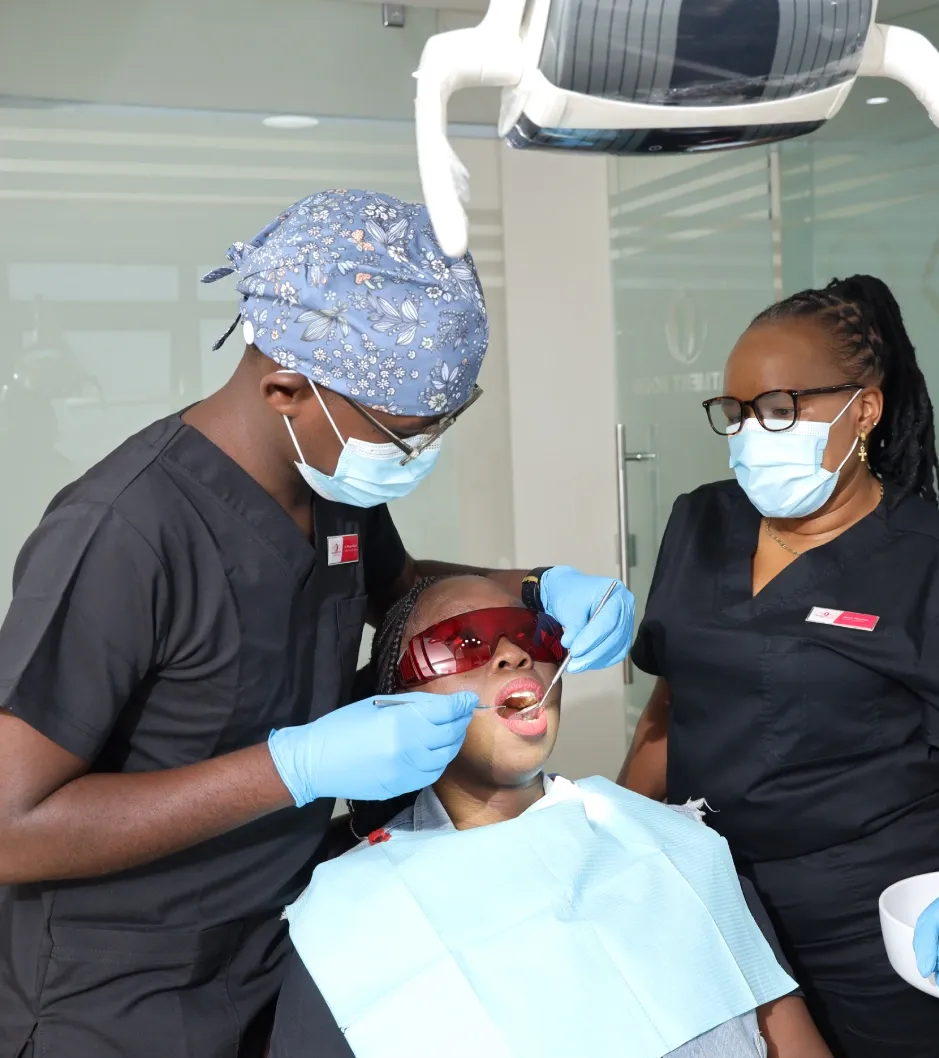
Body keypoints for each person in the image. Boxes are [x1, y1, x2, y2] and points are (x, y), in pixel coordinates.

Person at [0, 189, 635, 1058]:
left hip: (281, 943)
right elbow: (11, 828)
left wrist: (535, 586)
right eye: (406, 436)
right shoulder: (122, 534)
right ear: (286, 389)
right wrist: (291, 769)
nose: (421, 454)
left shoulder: (329, 487)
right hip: (115, 995)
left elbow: (401, 591)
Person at [619, 275, 939, 1058]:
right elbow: (672, 704)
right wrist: (615, 830)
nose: (754, 431)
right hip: (716, 898)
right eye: (738, 411)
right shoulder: (700, 521)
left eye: (783, 408)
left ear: (864, 408)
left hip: (873, 915)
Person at [268, 574, 833, 1058]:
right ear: (395, 702)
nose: (513, 654)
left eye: (532, 634)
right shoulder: (347, 922)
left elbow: (786, 1034)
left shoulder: (680, 847)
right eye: (463, 644)